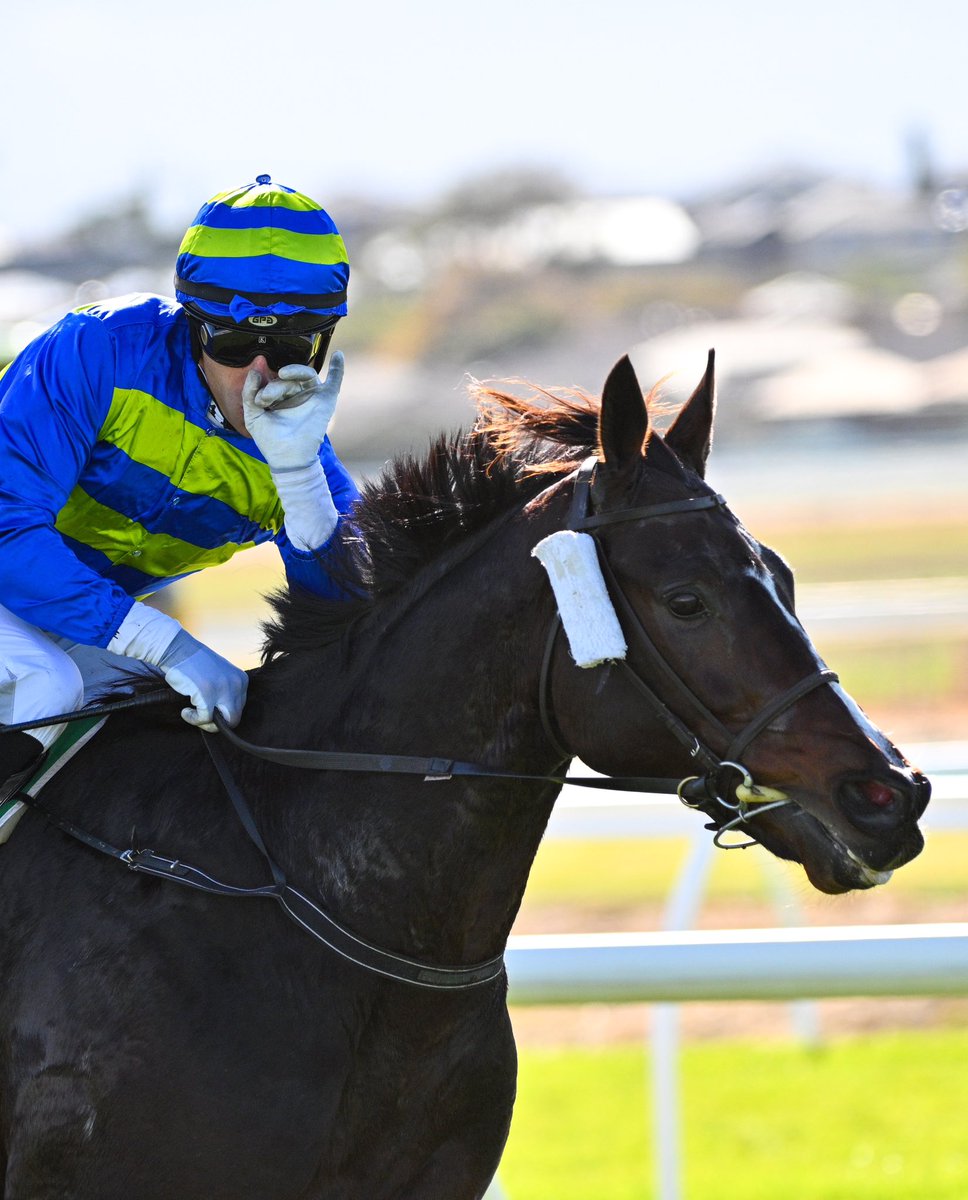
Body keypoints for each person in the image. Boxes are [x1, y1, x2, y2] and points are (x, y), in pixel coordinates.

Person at [0, 174, 359, 806]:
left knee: (150, 715)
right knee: (45, 685)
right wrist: (167, 642)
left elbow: (350, 621)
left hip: (59, 624)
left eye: (287, 345)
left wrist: (300, 479)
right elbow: (7, 529)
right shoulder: (98, 349)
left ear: (322, 339)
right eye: (236, 339)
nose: (258, 370)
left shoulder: (305, 464)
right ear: (194, 324)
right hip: (27, 610)